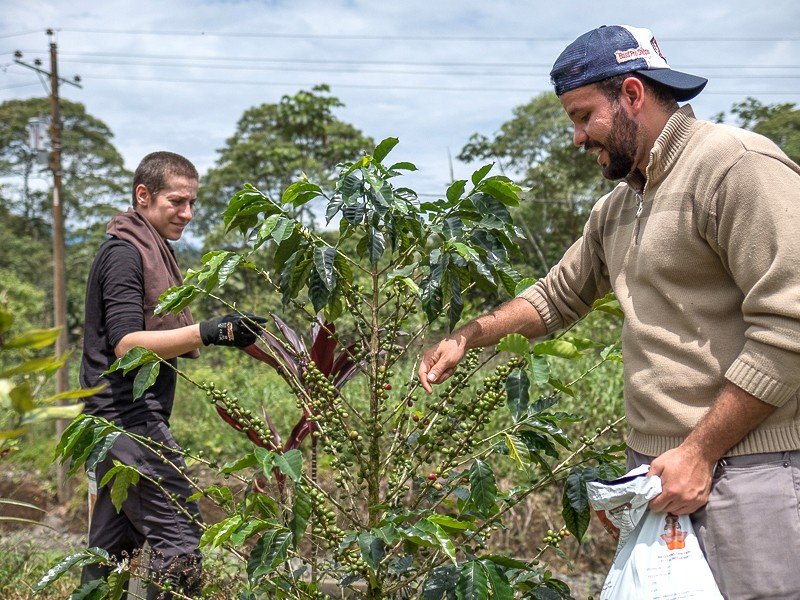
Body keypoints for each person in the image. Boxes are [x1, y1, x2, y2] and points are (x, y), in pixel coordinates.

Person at [419, 25, 800, 599]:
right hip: (658, 472)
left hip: (747, 470)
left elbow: (789, 322)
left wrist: (700, 452)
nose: (576, 138)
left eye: (581, 116)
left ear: (630, 93)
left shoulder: (736, 168)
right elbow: (556, 296)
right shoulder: (620, 206)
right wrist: (470, 337)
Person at [79, 151, 265, 598]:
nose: (188, 213)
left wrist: (279, 355)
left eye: (193, 203)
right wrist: (209, 332)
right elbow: (126, 345)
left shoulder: (150, 248)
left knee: (112, 556)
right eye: (177, 202)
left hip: (114, 425)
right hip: (128, 422)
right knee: (179, 540)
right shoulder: (125, 254)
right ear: (143, 195)